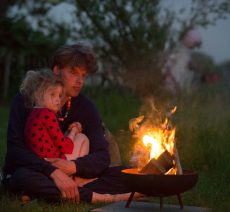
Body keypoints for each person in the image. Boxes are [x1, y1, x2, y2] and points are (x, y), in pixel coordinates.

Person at [2, 44, 135, 204]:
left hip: (73, 171)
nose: (79, 81)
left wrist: (72, 167)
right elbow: (15, 150)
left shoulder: (86, 106)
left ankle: (53, 192)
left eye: (83, 75)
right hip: (35, 170)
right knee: (23, 178)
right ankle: (90, 195)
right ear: (57, 70)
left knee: (125, 174)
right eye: (73, 72)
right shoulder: (27, 98)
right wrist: (53, 171)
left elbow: (102, 155)